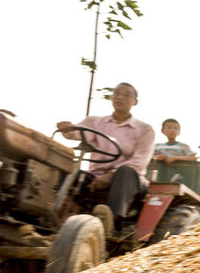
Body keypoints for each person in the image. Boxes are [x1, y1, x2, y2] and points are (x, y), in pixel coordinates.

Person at [57, 82, 156, 233]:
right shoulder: (94, 122)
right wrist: (67, 129)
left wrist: (110, 175)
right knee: (67, 172)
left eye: (126, 95)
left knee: (126, 171)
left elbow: (139, 162)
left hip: (130, 181)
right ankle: (57, 219)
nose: (120, 97)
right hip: (95, 176)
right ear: (111, 97)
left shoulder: (145, 130)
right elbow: (78, 134)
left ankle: (111, 225)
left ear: (135, 102)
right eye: (117, 93)